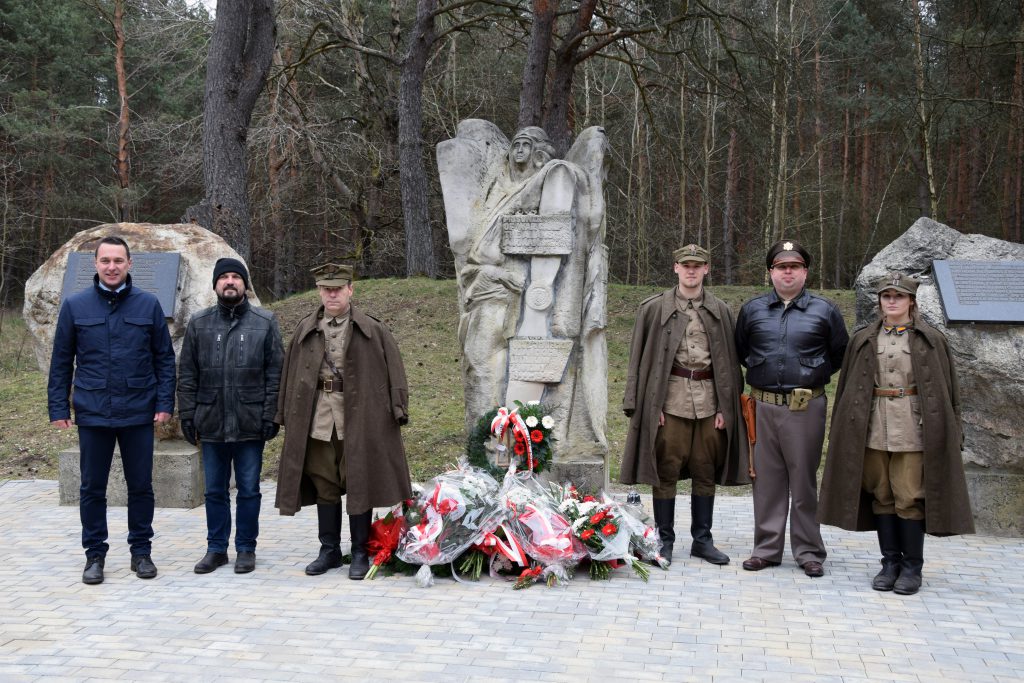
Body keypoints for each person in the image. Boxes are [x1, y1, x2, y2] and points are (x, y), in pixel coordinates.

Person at [818, 272, 974, 595]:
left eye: (898, 296)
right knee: (882, 495)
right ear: (879, 301)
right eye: (886, 296)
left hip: (912, 428)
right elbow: (846, 386)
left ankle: (911, 568)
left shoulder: (930, 340)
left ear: (911, 301)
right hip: (872, 426)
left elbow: (949, 391)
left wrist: (952, 429)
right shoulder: (863, 339)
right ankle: (888, 564)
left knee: (909, 496)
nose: (891, 301)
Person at [48, 235, 176, 585]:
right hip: (93, 411)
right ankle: (94, 555)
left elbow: (164, 360)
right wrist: (58, 405)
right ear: (96, 264)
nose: (112, 267)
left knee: (141, 486)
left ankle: (141, 552)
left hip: (138, 410)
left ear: (129, 264)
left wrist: (165, 403)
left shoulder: (148, 305)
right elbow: (61, 361)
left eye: (118, 260)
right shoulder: (75, 306)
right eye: (105, 261)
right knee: (92, 488)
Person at [274, 263, 413, 580]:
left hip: (361, 419)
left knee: (359, 481)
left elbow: (395, 370)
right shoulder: (305, 329)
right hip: (319, 419)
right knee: (325, 483)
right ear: (319, 292)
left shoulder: (371, 329)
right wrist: (282, 411)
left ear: (351, 289)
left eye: (338, 288)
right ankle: (330, 550)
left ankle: (360, 551)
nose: (332, 293)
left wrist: (398, 407)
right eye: (326, 288)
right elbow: (289, 374)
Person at [620, 245, 750, 565]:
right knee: (666, 470)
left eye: (698, 265)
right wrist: (647, 406)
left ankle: (702, 541)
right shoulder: (652, 309)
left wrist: (726, 408)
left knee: (706, 470)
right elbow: (637, 360)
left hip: (708, 402)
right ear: (675, 268)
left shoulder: (720, 310)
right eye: (685, 265)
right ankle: (664, 540)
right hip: (671, 402)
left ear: (707, 269)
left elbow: (730, 364)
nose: (691, 271)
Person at [735, 239, 848, 577]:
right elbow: (742, 350)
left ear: (805, 272)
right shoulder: (752, 310)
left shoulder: (825, 310)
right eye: (781, 267)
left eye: (794, 267)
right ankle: (767, 549)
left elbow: (839, 353)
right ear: (770, 272)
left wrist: (812, 374)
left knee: (803, 480)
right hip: (763, 405)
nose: (788, 272)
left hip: (805, 406)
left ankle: (809, 551)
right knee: (766, 481)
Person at [177, 257, 284, 575]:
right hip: (211, 420)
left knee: (249, 489)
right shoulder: (199, 323)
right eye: (224, 277)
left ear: (245, 284)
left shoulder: (265, 322)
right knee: (214, 490)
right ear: (215, 285)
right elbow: (187, 374)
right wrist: (187, 414)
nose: (230, 282)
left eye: (236, 277)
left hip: (250, 421)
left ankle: (246, 549)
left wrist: (271, 414)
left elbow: (275, 372)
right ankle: (216, 548)